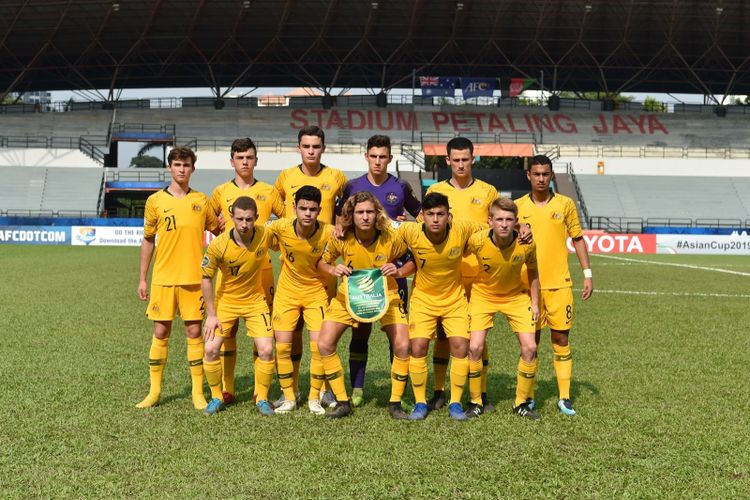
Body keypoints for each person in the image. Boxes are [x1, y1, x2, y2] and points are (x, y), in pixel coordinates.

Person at [334, 134, 421, 407]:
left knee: (398, 337)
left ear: (390, 158)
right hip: (361, 276)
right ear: (366, 157)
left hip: (391, 271)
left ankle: (399, 394)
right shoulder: (352, 186)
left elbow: (420, 217)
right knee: (360, 332)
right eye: (373, 156)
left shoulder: (401, 187)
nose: (378, 161)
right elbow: (339, 218)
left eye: (383, 156)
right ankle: (357, 389)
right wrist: (339, 227)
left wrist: (404, 225)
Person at [316, 191, 414, 419]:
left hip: (387, 296)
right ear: (352, 214)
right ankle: (342, 401)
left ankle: (396, 403)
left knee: (402, 345)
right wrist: (333, 269)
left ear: (377, 213)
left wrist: (398, 270)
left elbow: (411, 262)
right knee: (324, 343)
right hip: (349, 296)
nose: (365, 217)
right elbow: (322, 261)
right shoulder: (342, 237)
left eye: (370, 211)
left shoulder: (389, 237)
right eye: (360, 212)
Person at [136, 146, 219, 410]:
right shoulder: (155, 201)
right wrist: (142, 278)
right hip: (163, 278)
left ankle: (197, 392)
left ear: (193, 169)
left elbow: (219, 231)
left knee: (194, 332)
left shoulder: (202, 201)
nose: (181, 169)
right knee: (161, 331)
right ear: (169, 167)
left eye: (186, 165)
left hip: (194, 279)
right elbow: (148, 240)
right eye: (177, 164)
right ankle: (155, 391)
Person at [423, 137, 499, 413]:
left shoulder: (488, 191)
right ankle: (440, 391)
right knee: (444, 336)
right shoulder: (437, 190)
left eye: (465, 159)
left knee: (479, 337)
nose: (461, 164)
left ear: (473, 159)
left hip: (479, 276)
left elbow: (501, 221)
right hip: (448, 276)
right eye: (455, 160)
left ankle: (480, 393)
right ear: (447, 161)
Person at [274, 126, 347, 407]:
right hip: (294, 270)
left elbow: (346, 206)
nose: (311, 151)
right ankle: (289, 391)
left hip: (324, 269)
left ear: (323, 148)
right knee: (290, 336)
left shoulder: (336, 177)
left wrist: (340, 224)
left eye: (316, 146)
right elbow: (274, 205)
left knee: (323, 337)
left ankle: (326, 389)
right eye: (306, 146)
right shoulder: (286, 177)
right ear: (299, 148)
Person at [515, 154, 594, 416]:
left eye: (545, 174)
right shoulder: (516, 208)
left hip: (560, 284)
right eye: (536, 174)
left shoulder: (566, 204)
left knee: (561, 338)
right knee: (531, 344)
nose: (540, 178)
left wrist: (588, 273)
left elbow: (578, 239)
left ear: (551, 175)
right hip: (529, 287)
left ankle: (564, 397)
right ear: (528, 175)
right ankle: (529, 396)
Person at [208, 137, 284, 405]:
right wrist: (217, 226)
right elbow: (209, 223)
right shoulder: (219, 192)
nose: (245, 162)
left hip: (262, 272)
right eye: (240, 158)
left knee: (261, 334)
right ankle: (227, 388)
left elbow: (285, 222)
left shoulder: (269, 191)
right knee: (226, 335)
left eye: (249, 158)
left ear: (255, 160)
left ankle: (257, 391)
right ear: (232, 161)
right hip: (229, 276)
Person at [398, 192, 484, 420]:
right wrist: (341, 225)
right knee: (417, 348)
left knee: (460, 346)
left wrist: (521, 225)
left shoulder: (462, 228)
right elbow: (382, 224)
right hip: (423, 300)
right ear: (422, 217)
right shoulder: (410, 231)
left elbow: (493, 225)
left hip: (454, 300)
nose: (435, 219)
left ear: (449, 216)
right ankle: (419, 403)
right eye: (430, 214)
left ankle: (455, 402)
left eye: (440, 214)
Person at [200, 196, 277, 416]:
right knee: (210, 348)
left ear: (257, 218)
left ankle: (261, 397)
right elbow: (206, 278)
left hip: (255, 302)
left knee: (266, 349)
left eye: (249, 219)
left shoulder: (265, 235)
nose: (244, 224)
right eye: (240, 219)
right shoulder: (218, 245)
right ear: (231, 217)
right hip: (227, 303)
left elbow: (288, 234)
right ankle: (217, 396)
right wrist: (211, 315)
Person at [465, 197, 541, 420]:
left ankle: (520, 403)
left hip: (515, 297)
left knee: (530, 348)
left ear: (516, 221)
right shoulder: (478, 240)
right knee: (475, 347)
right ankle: (476, 401)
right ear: (490, 221)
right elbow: (456, 252)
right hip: (483, 295)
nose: (504, 224)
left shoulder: (526, 243)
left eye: (509, 219)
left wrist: (535, 303)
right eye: (499, 219)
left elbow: (534, 272)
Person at [266, 186, 334, 415]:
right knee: (283, 347)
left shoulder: (329, 231)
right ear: (294, 208)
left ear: (319, 210)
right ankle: (289, 397)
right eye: (303, 208)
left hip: (316, 293)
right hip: (287, 293)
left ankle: (315, 397)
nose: (307, 213)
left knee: (319, 347)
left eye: (312, 209)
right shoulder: (280, 227)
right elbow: (253, 233)